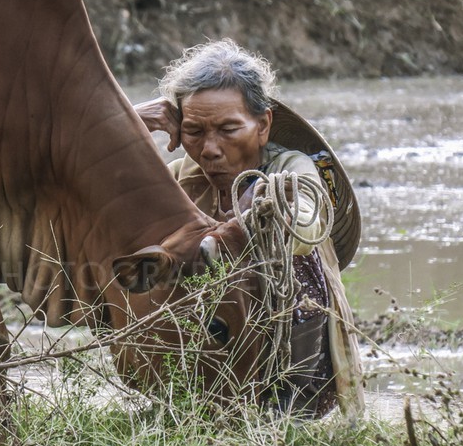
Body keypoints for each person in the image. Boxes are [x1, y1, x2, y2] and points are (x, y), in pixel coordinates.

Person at [136, 39, 365, 419]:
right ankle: (187, 397)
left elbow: (307, 223)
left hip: (289, 367)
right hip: (200, 364)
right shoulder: (179, 176)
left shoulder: (292, 169)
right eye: (194, 132)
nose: (210, 149)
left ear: (262, 126)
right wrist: (128, 123)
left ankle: (281, 408)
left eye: (228, 129)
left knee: (295, 259)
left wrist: (246, 227)